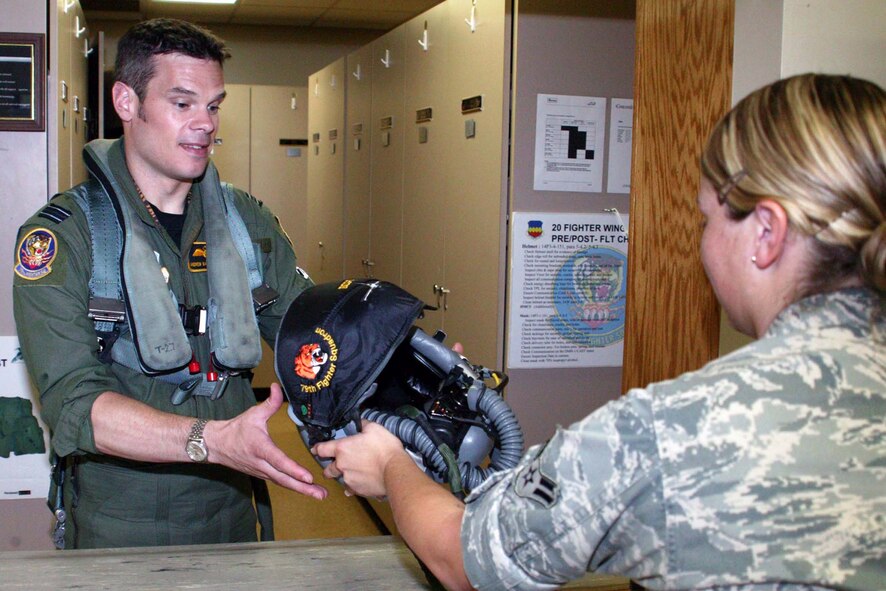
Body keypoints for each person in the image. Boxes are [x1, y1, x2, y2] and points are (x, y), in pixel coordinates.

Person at [313, 73, 886, 590]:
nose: (703, 243)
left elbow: (460, 558)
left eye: (707, 219)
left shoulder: (670, 431)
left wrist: (392, 463)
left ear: (765, 233)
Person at [12, 18, 326, 549]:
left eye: (213, 105)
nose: (205, 123)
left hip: (232, 517)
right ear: (126, 102)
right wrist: (212, 440)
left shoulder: (247, 225)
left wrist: (404, 371)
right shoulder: (66, 239)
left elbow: (314, 337)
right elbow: (75, 405)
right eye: (182, 104)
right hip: (119, 531)